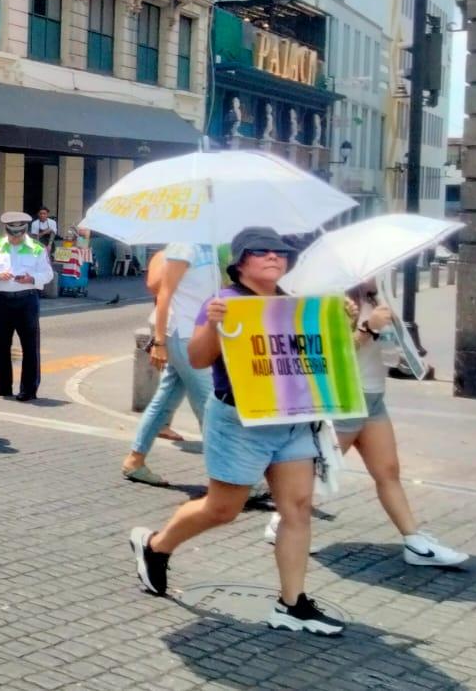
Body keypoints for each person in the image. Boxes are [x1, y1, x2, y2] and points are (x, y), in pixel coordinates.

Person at [130, 227, 344, 636]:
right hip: (239, 422)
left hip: (292, 419)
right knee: (222, 509)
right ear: (241, 260)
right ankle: (156, 546)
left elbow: (317, 356)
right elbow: (196, 356)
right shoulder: (224, 302)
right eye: (261, 251)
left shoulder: (293, 302)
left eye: (280, 252)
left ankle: (292, 604)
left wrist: (346, 325)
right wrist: (211, 324)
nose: (274, 257)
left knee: (296, 508)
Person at [261, 280, 468, 567]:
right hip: (345, 398)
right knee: (318, 473)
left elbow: (389, 355)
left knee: (388, 471)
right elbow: (328, 355)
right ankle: (280, 522)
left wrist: (394, 334)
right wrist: (367, 328)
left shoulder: (375, 297)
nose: (379, 275)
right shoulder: (332, 300)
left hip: (373, 398)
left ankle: (415, 543)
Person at [121, 243, 221, 485]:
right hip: (183, 333)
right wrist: (160, 342)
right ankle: (229, 479)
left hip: (197, 332)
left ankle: (135, 460)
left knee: (165, 399)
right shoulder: (184, 246)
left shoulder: (211, 245)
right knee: (210, 407)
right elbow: (164, 293)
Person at [0, 212, 52, 402]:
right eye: (13, 234)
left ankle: (28, 389)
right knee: (2, 345)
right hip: (2, 300)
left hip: (27, 300)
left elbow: (48, 274)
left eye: (19, 234)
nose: (16, 238)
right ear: (7, 230)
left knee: (30, 346)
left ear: (25, 230)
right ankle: (3, 386)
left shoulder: (37, 248)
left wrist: (32, 278)